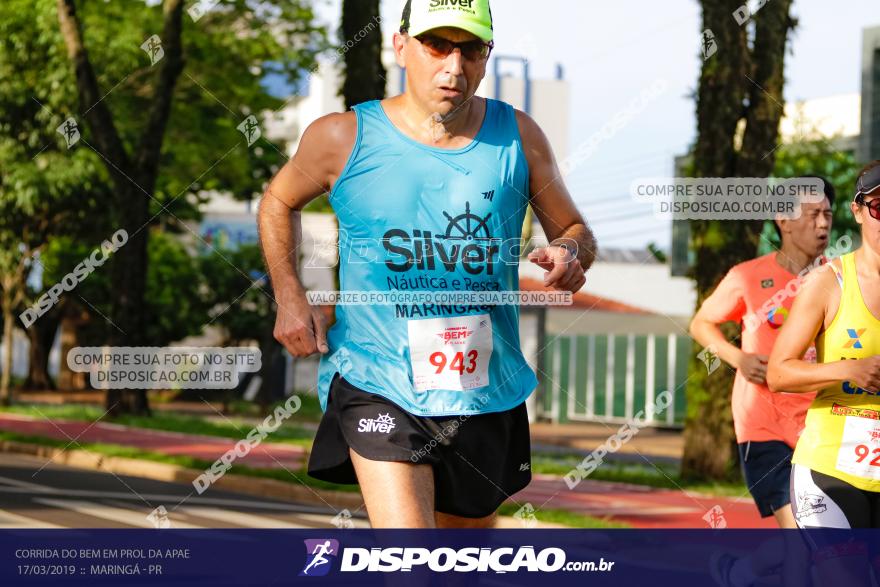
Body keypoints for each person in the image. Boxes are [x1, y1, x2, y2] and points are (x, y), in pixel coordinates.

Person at [257, 0, 595, 529]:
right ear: (400, 47)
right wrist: (289, 293)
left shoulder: (518, 136)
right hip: (378, 378)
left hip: (481, 387)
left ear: (487, 57)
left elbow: (574, 230)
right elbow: (278, 200)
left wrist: (571, 254)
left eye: (470, 50)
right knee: (410, 562)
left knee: (466, 565)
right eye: (436, 45)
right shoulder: (341, 137)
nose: (453, 67)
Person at [690, 178, 834, 586]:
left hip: (819, 425)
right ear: (784, 220)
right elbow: (702, 323)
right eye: (812, 215)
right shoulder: (748, 276)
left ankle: (738, 571)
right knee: (798, 535)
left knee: (818, 534)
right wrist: (737, 357)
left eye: (827, 215)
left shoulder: (837, 280)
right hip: (763, 424)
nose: (823, 224)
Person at [767, 162, 880, 587]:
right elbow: (778, 372)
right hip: (830, 470)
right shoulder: (828, 282)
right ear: (858, 210)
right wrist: (849, 368)